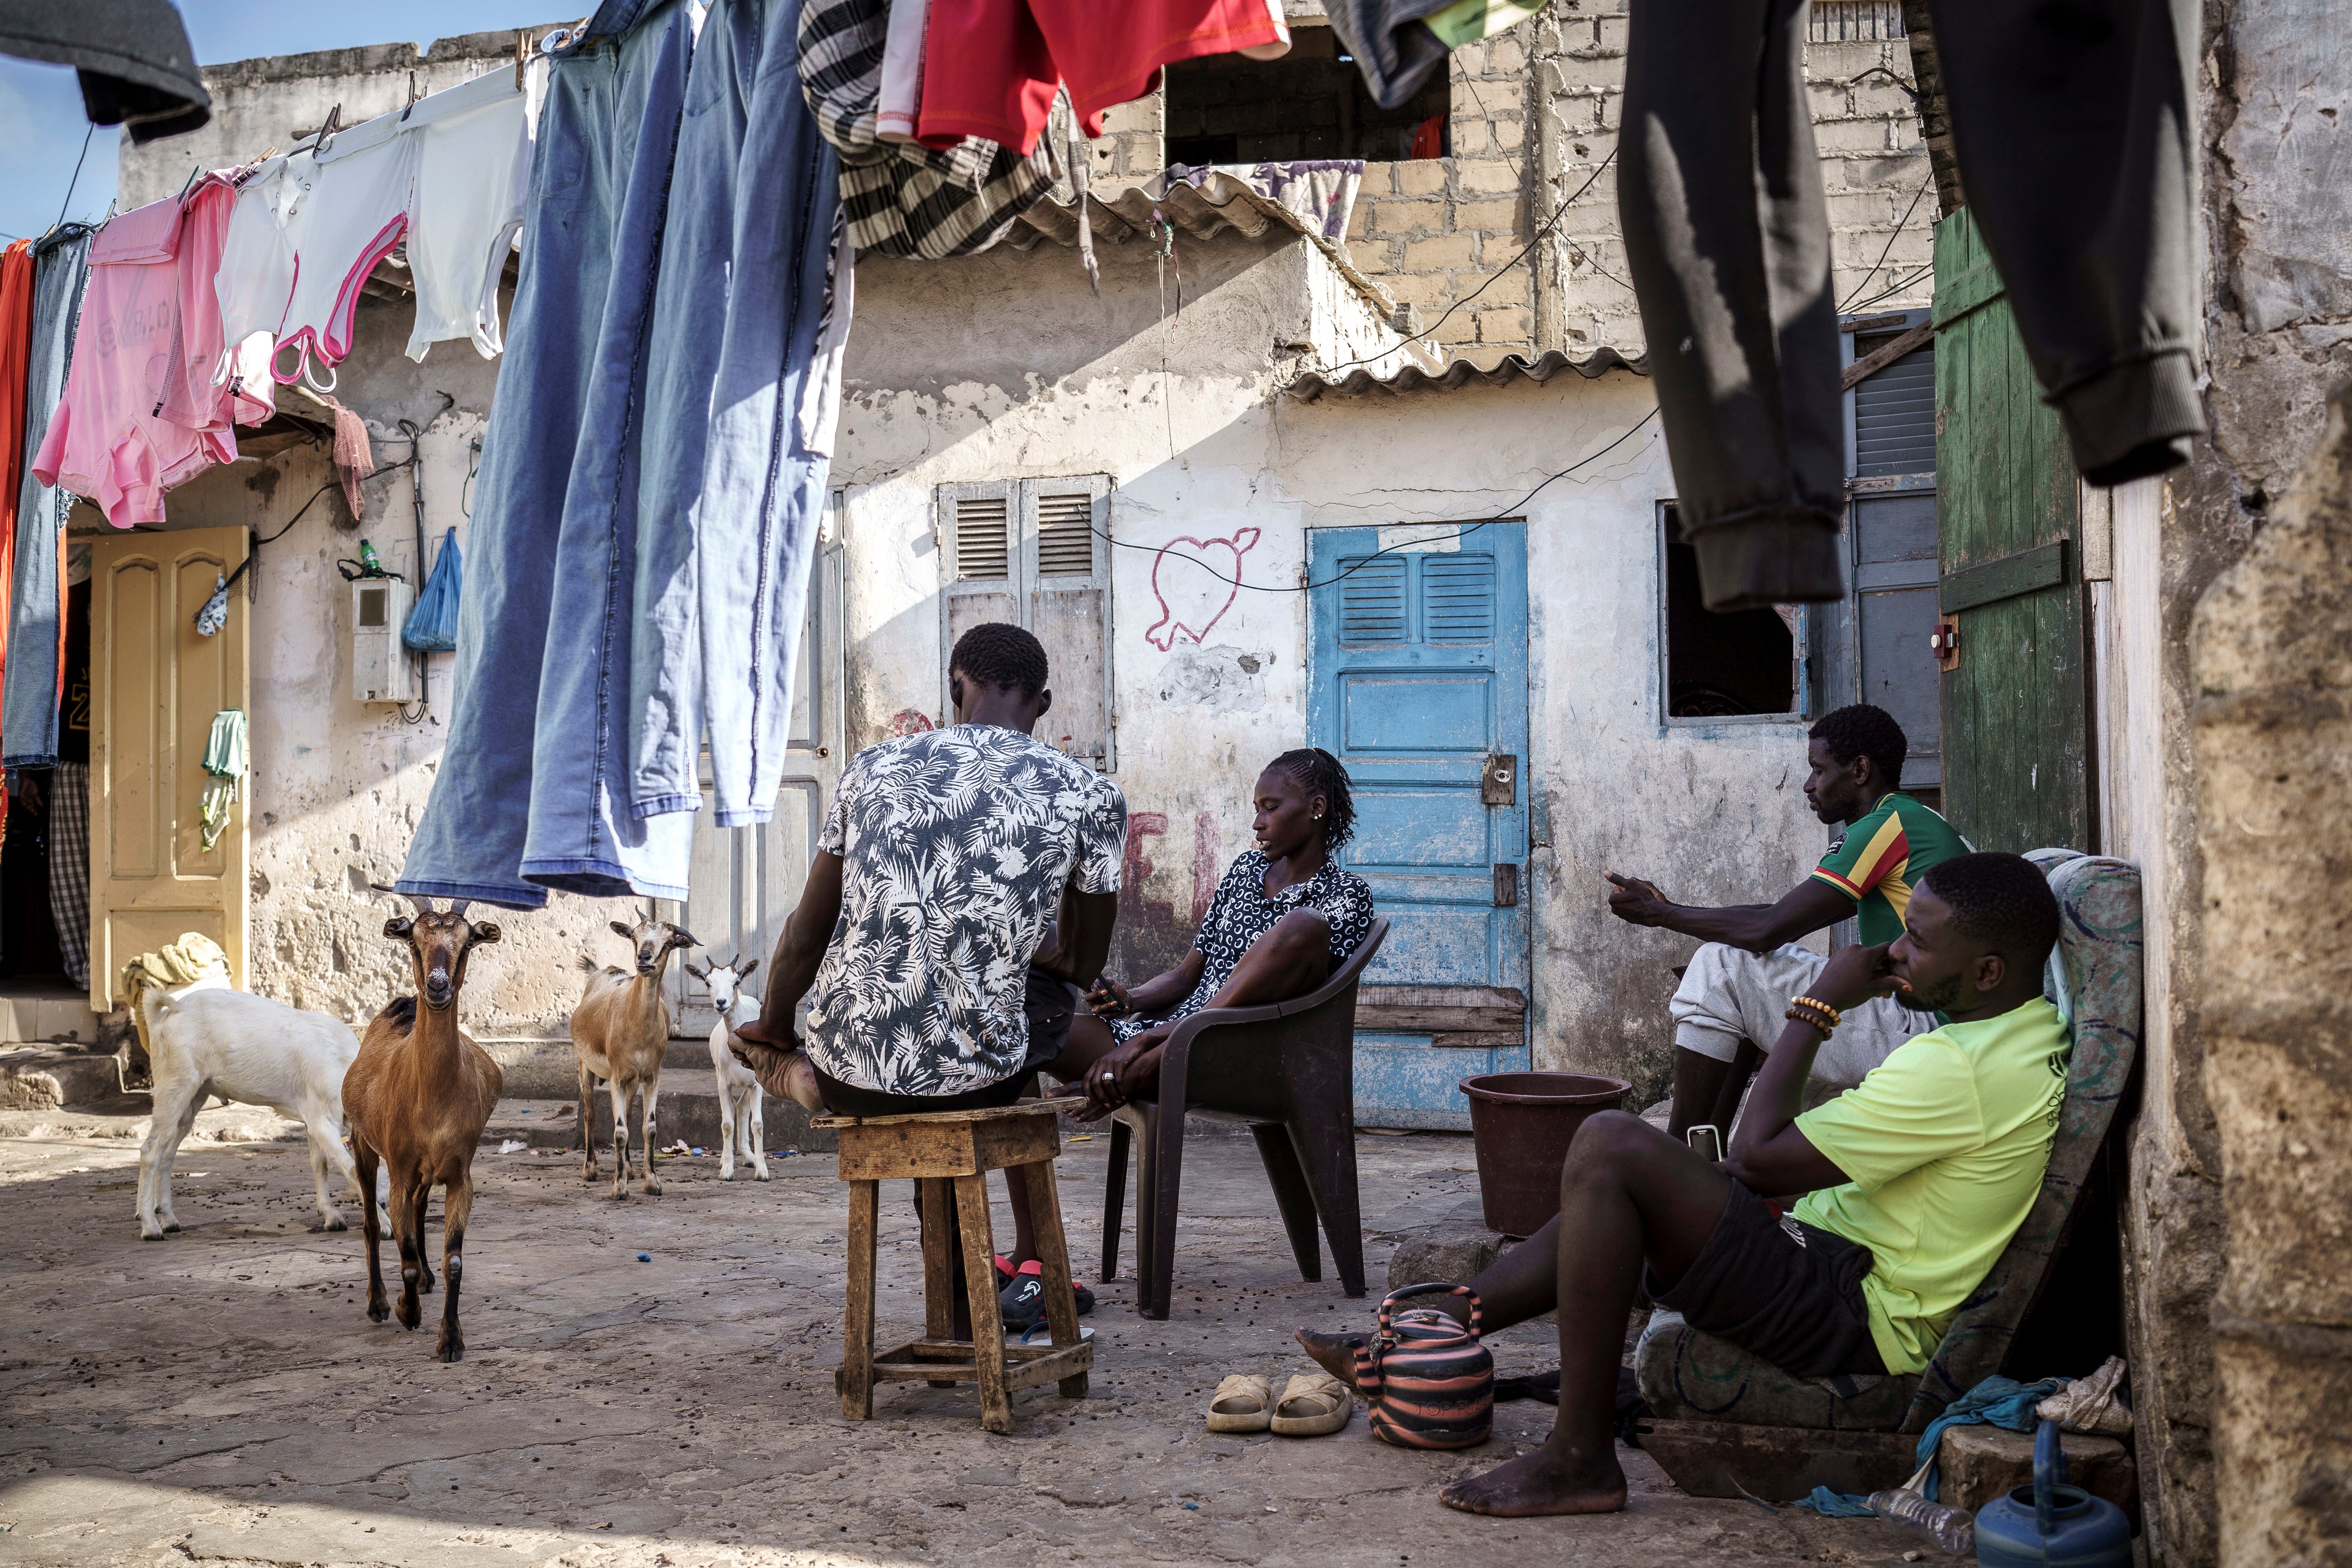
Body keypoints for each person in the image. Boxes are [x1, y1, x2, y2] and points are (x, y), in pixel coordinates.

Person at [1298, 851, 2070, 1516]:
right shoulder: (2022, 1032)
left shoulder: (1957, 1068)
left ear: (1987, 970)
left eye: (1918, 940)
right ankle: (1429, 1327)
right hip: (1838, 1262)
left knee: (1610, 1144)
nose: (1895, 950)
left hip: (1855, 1310)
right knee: (1641, 1182)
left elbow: (1758, 1153)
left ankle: (1578, 1457)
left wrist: (1818, 1001)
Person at [728, 622, 1126, 1281]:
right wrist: (1012, 936)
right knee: (1025, 1000)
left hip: (854, 1077)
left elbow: (806, 929)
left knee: (922, 1008)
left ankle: (799, 1076)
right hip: (980, 1078)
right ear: (1044, 704)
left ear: (954, 688)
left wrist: (771, 1023)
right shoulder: (1089, 794)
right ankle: (1005, 1266)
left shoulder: (872, 769)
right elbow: (1081, 967)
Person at [1604, 703, 1967, 1138]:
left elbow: (1770, 928)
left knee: (1720, 966)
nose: (1808, 785)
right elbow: (1775, 916)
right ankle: (1701, 1159)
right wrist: (1671, 908)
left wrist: (1663, 915)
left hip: (1925, 1026)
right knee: (1729, 965)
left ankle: (1679, 1158)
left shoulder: (1884, 827)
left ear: (1860, 770)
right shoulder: (1912, 819)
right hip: (1932, 1017)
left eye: (1819, 769)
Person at [1051, 747, 1376, 1121]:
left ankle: (1144, 1067)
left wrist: (1153, 1040)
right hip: (1165, 1034)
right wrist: (1132, 999)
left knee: (1303, 925)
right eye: (1257, 808)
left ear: (1316, 808)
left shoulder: (1346, 894)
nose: (1258, 822)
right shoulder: (1246, 869)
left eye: (1270, 808)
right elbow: (1187, 974)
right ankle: (1139, 1070)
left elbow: (1299, 997)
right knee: (1039, 1034)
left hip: (1238, 1053)